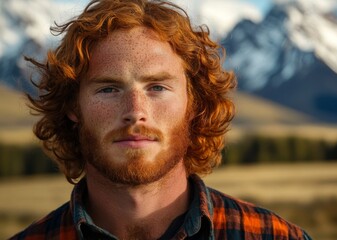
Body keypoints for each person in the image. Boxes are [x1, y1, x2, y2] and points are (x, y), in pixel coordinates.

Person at [10, 0, 312, 239]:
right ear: (73, 106)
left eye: (157, 87)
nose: (135, 111)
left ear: (193, 104)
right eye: (108, 88)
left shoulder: (272, 236)